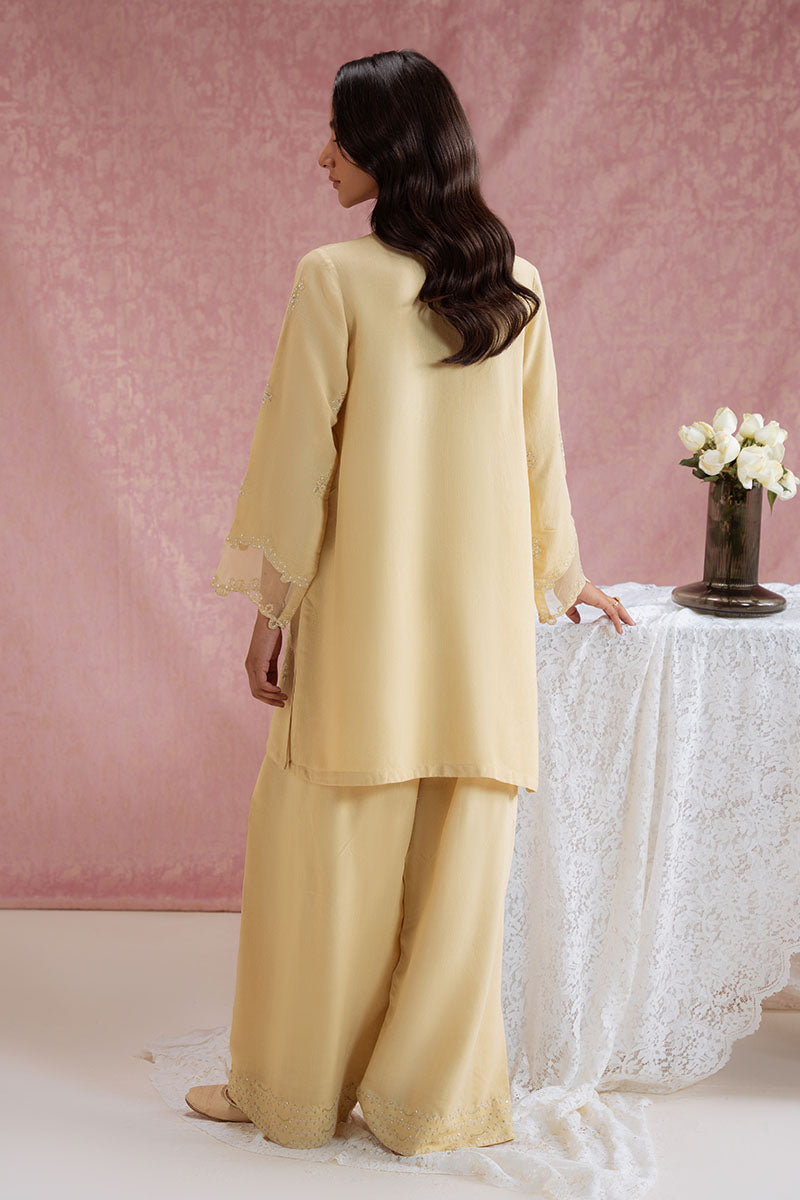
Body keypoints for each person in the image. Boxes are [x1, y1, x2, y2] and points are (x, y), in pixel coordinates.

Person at [185, 48, 635, 1156]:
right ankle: (428, 1108)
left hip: (365, 635)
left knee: (324, 867)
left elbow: (296, 469)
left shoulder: (333, 279)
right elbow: (540, 463)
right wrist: (564, 580)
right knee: (457, 888)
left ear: (384, 146)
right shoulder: (517, 285)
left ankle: (291, 1091)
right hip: (480, 648)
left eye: (338, 133)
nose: (321, 154)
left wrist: (270, 613)